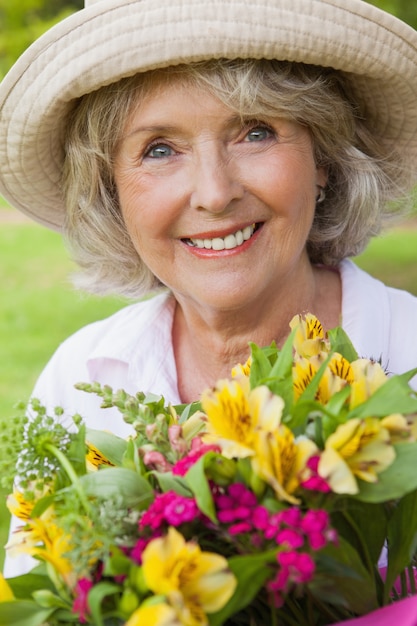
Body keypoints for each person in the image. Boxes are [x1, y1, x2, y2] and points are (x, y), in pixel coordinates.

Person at [2, 0, 417, 577]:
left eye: (255, 131)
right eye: (159, 149)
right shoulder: (82, 380)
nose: (215, 193)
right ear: (111, 191)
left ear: (323, 157)